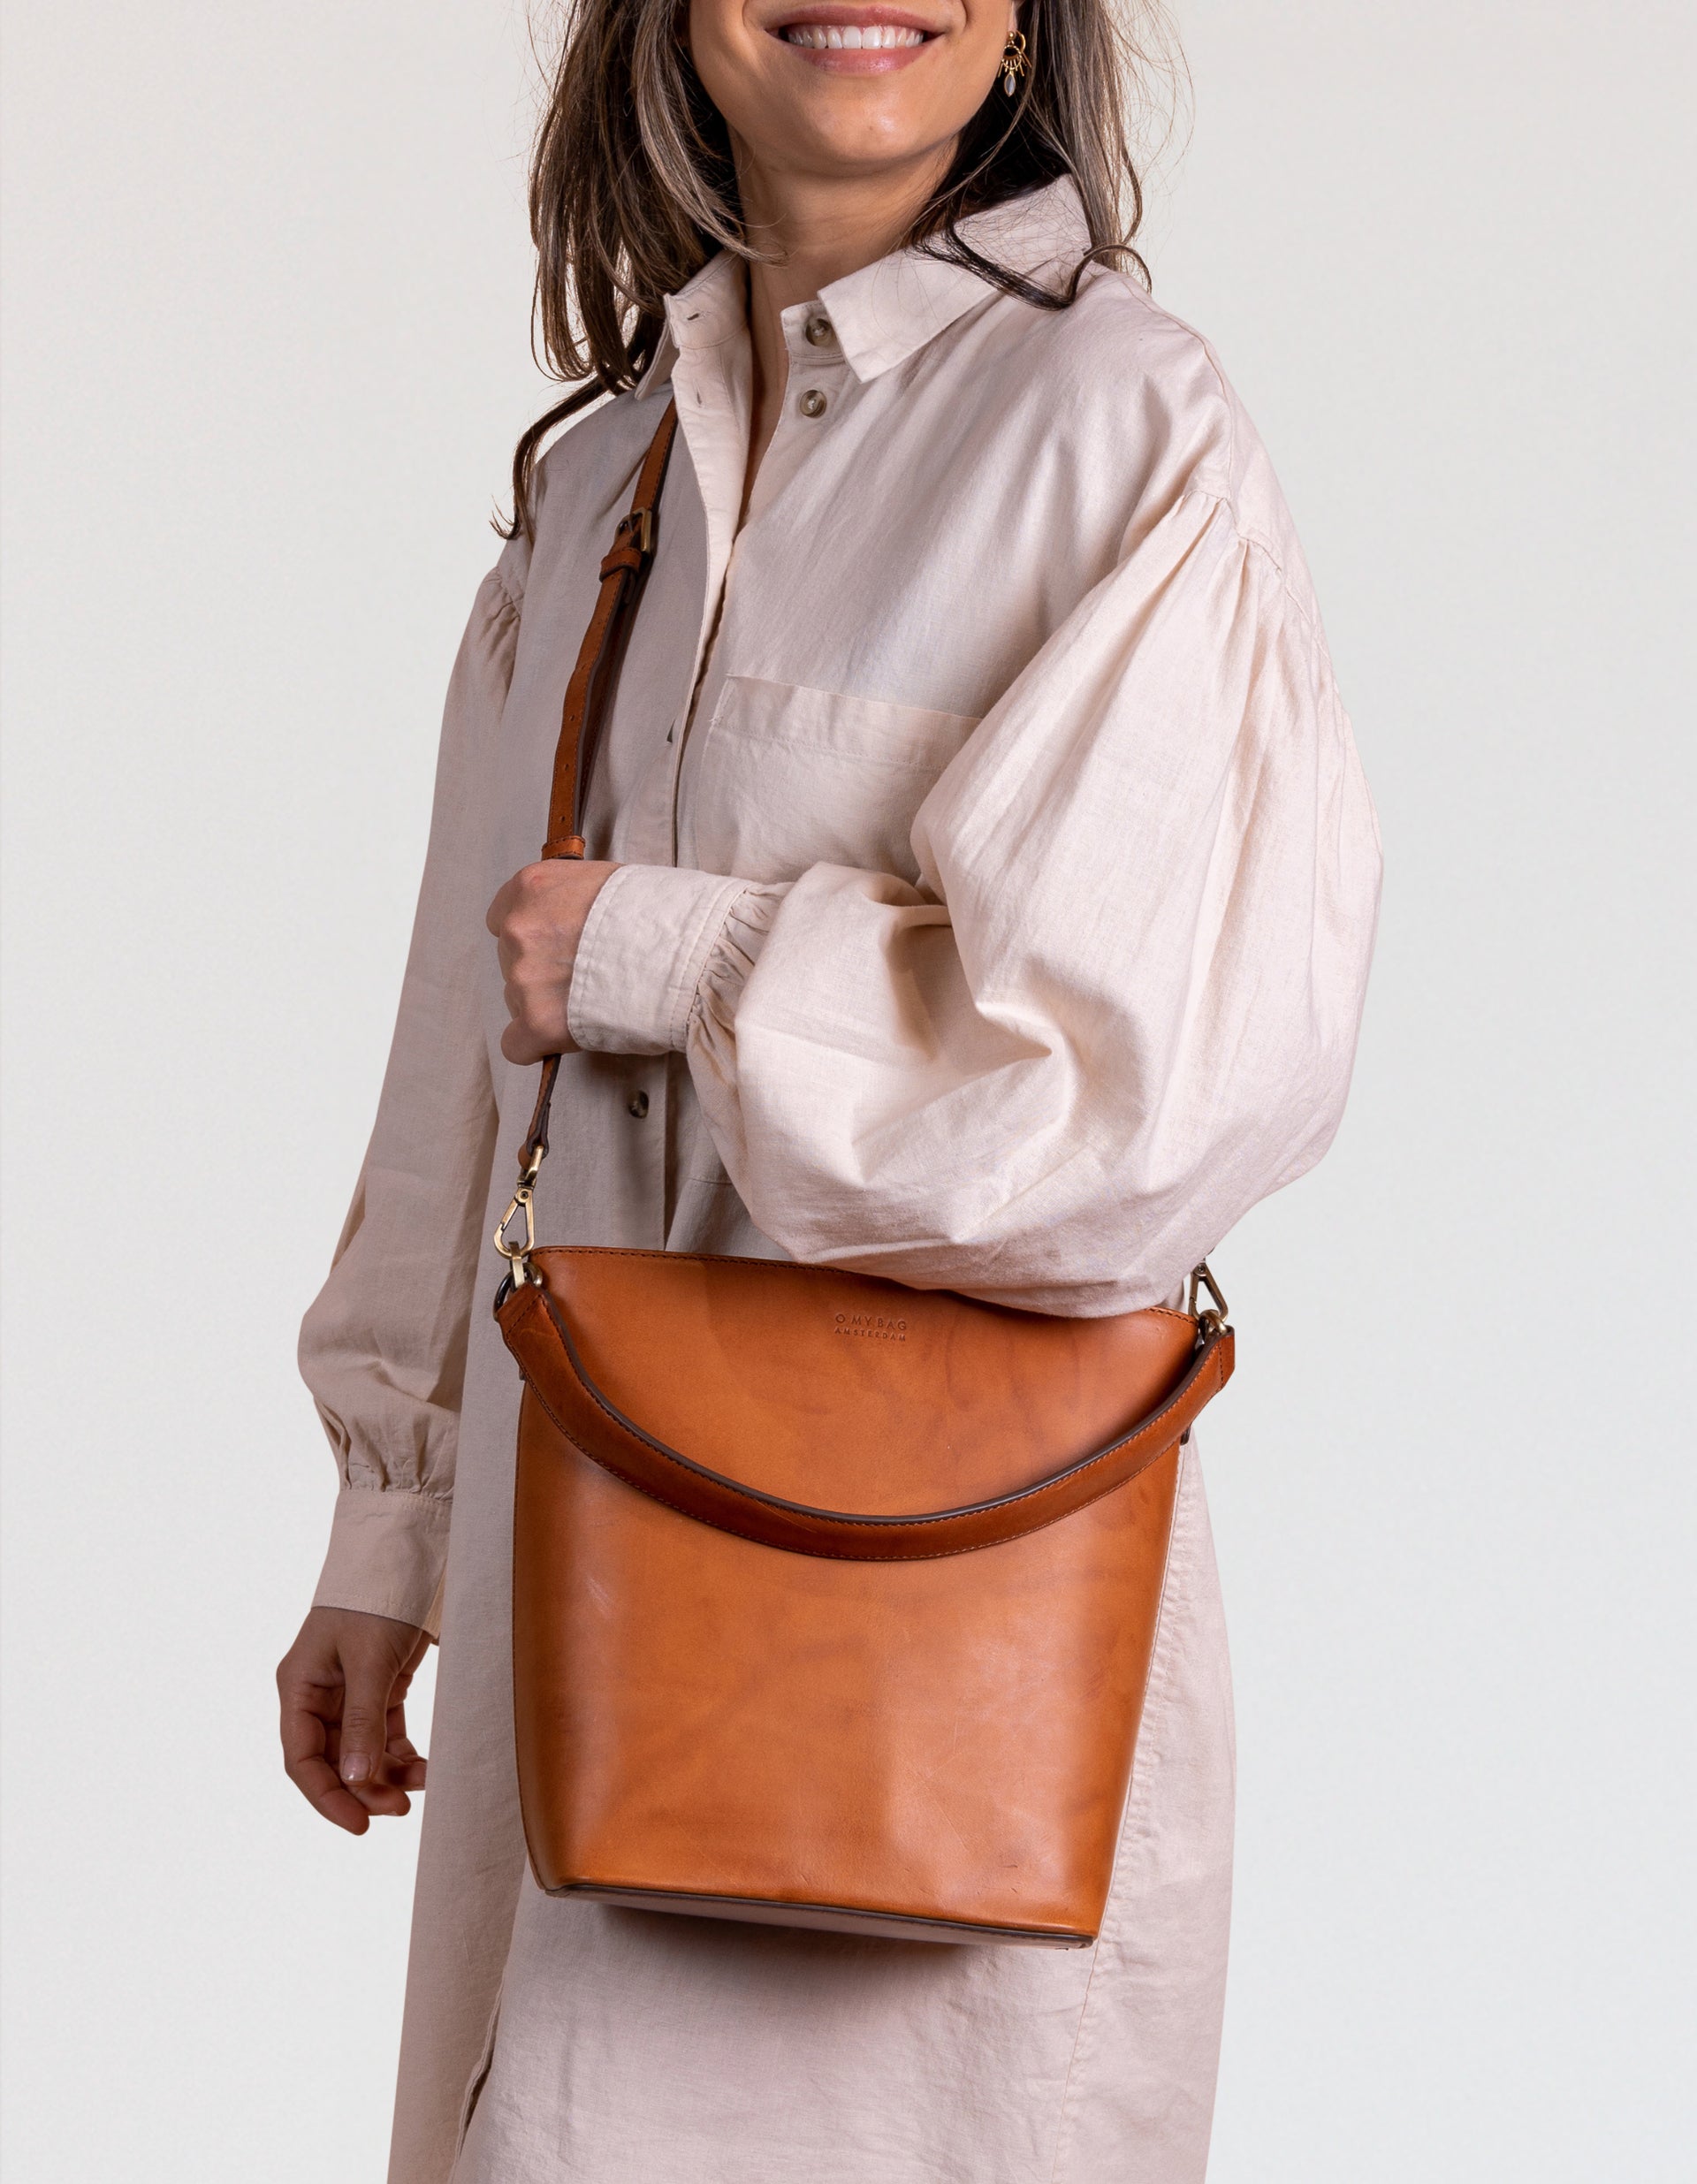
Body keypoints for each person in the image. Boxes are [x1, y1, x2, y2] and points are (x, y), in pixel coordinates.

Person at [277, 2, 1381, 2177]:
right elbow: (459, 1048)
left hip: (941, 1657)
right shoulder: (596, 489)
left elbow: (1143, 1092)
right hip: (577, 1600)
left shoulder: (1115, 428)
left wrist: (676, 958)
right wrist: (388, 1524)